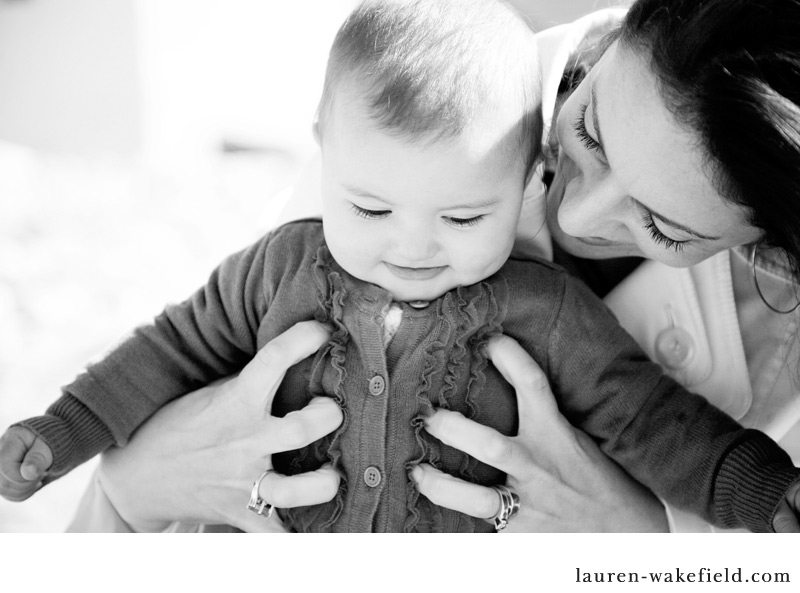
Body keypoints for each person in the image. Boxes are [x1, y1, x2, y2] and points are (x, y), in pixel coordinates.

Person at [2, 0, 799, 533]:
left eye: (664, 224)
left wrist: (654, 546)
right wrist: (93, 454)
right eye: (587, 130)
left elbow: (660, 423)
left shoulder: (547, 310)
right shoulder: (370, 173)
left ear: (770, 246)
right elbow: (172, 349)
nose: (576, 216)